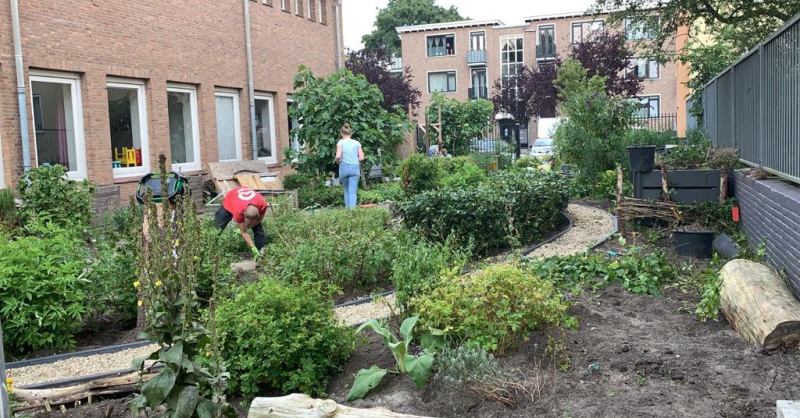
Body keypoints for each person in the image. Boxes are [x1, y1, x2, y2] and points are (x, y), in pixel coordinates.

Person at [215, 186, 268, 259]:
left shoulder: (263, 204)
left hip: (246, 204)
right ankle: (208, 249)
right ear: (243, 215)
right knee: (217, 228)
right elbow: (244, 232)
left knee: (258, 228)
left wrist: (247, 226)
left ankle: (262, 253)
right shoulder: (238, 211)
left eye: (252, 221)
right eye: (248, 221)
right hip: (231, 199)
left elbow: (259, 221)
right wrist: (253, 248)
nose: (250, 223)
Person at [335, 123, 365, 209]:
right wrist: (355, 160)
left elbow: (338, 156)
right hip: (355, 168)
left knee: (346, 191)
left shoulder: (340, 142)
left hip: (344, 167)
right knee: (352, 192)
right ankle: (352, 212)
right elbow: (362, 157)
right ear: (351, 133)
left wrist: (337, 161)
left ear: (342, 134)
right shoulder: (357, 143)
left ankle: (347, 212)